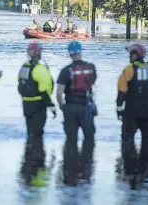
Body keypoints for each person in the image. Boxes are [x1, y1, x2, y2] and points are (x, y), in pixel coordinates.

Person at [116, 43, 148, 189]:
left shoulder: (129, 70)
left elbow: (121, 90)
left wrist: (119, 108)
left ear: (135, 54)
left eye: (130, 54)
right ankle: (147, 165)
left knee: (128, 138)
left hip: (131, 112)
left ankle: (129, 165)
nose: (129, 56)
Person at [56, 41, 97, 186]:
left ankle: (69, 165)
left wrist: (62, 107)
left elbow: (59, 93)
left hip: (71, 107)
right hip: (86, 108)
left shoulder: (66, 71)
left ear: (69, 53)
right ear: (80, 51)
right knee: (89, 138)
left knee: (71, 140)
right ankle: (87, 163)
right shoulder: (91, 68)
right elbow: (92, 85)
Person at [18, 42, 56, 139]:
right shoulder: (40, 69)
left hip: (26, 104)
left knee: (30, 131)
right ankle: (37, 151)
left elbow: (19, 85)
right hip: (38, 105)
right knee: (38, 133)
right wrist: (51, 105)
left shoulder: (24, 67)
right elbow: (44, 91)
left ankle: (29, 151)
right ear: (38, 53)